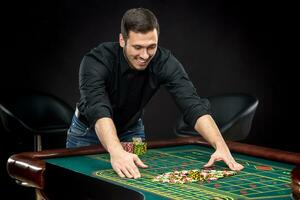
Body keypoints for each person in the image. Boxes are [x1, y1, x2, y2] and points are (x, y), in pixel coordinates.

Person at [66, 7, 244, 179]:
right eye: (137, 47)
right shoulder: (96, 60)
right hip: (87, 132)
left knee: (135, 182)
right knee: (81, 187)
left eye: (152, 46)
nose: (145, 55)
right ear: (122, 40)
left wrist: (220, 145)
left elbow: (193, 105)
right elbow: (98, 108)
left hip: (131, 131)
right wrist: (116, 151)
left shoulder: (165, 61)